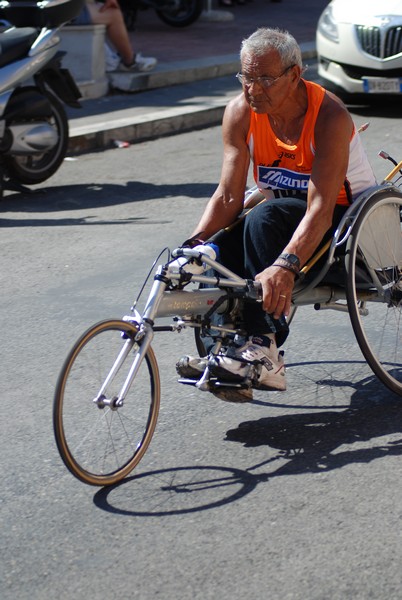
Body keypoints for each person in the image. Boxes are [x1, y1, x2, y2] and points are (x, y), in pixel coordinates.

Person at [176, 27, 376, 402]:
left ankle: (264, 345)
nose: (253, 89)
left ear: (294, 74)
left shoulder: (328, 116)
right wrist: (194, 245)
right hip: (279, 220)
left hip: (344, 225)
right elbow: (229, 195)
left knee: (264, 216)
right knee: (214, 255)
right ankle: (223, 353)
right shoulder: (241, 112)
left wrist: (284, 266)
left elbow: (319, 208)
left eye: (265, 79)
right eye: (246, 77)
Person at [71, 0, 157, 72]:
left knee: (98, 6)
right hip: (63, 12)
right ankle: (130, 61)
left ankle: (108, 56)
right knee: (113, 13)